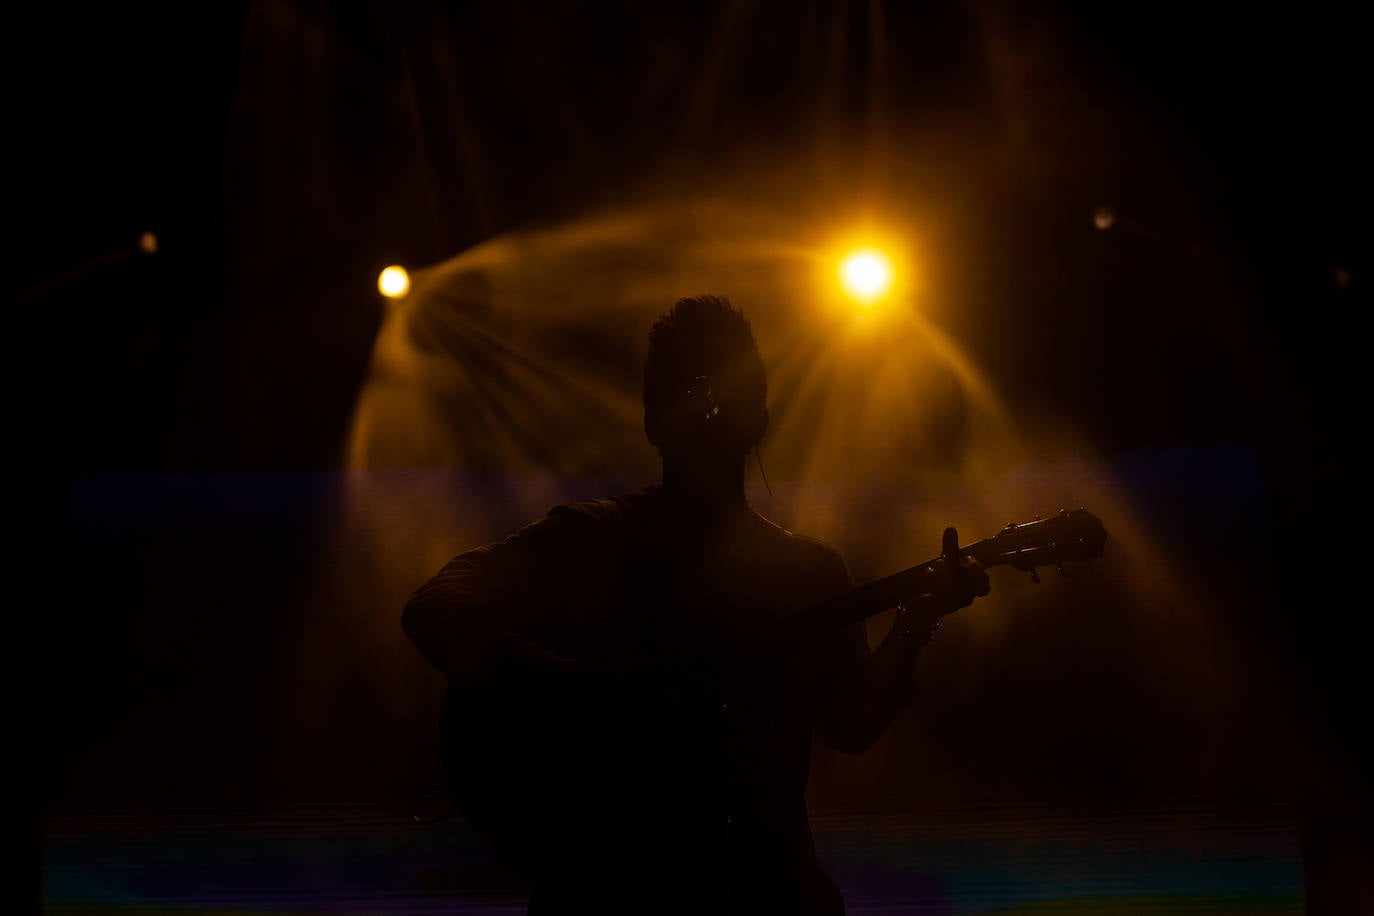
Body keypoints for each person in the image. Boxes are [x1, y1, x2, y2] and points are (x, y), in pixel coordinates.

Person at [401, 295, 990, 914]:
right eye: (691, 391)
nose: (710, 410)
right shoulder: (594, 539)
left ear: (759, 417)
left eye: (723, 392)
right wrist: (572, 690)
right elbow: (436, 603)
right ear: (654, 419)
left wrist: (916, 621)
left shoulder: (810, 571)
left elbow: (850, 723)